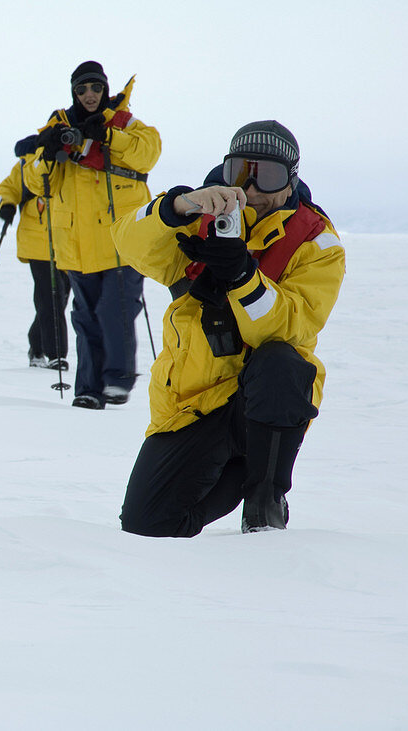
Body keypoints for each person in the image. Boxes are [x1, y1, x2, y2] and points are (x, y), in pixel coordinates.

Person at [112, 120, 345, 536]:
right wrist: (177, 206)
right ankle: (242, 467)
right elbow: (127, 244)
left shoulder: (316, 241)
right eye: (240, 172)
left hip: (267, 396)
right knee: (147, 524)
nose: (252, 189)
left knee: (281, 362)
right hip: (195, 400)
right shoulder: (197, 214)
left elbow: (290, 327)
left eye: (268, 175)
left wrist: (240, 275)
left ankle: (265, 498)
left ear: (291, 180)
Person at [18, 61, 161, 409]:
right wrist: (48, 153)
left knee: (115, 309)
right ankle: (88, 389)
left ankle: (117, 380)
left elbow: (149, 153)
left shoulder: (124, 123)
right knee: (85, 318)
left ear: (105, 89)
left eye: (95, 88)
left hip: (119, 242)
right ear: (73, 93)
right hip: (76, 245)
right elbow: (35, 181)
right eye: (82, 90)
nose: (89, 95)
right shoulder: (59, 126)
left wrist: (109, 136)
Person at [0, 154, 70, 370]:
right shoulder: (28, 161)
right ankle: (56, 354)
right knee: (51, 296)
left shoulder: (75, 158)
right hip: (38, 241)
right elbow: (7, 188)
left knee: (61, 297)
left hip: (69, 243)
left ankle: (36, 344)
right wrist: (7, 205)